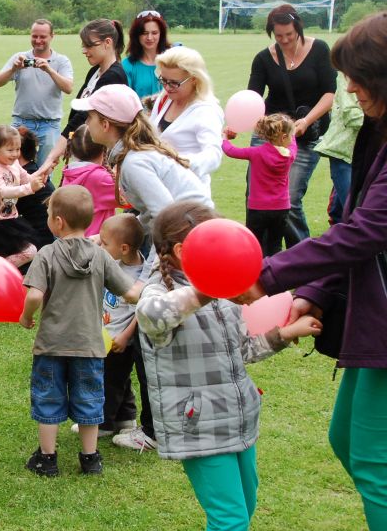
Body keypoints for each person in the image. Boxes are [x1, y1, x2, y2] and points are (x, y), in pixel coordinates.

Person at [234, 12, 387, 529]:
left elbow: (367, 231)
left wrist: (267, 275)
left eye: (357, 77)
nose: (350, 89)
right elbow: (352, 222)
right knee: (346, 439)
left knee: (374, 462)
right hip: (374, 318)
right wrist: (317, 289)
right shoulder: (378, 128)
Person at [137, 201, 323, 531]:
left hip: (238, 416)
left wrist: (285, 333)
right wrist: (209, 288)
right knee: (230, 520)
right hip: (198, 424)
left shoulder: (223, 292)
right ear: (181, 251)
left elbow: (243, 350)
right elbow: (152, 316)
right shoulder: (159, 290)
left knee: (245, 507)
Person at [71, 83, 212, 453]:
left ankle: (153, 429)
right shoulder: (131, 155)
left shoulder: (134, 162)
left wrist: (152, 276)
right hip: (186, 243)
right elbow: (154, 214)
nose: (86, 123)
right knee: (150, 340)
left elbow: (168, 217)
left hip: (186, 247)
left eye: (90, 117)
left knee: (151, 341)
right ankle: (136, 420)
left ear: (105, 123)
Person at [20, 185, 134, 477]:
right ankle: (90, 458)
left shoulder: (47, 254)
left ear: (58, 222)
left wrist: (26, 316)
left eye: (48, 213)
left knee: (48, 399)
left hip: (51, 345)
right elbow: (130, 293)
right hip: (89, 345)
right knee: (89, 400)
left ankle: (47, 459)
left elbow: (34, 295)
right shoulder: (101, 256)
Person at [247, 4, 336, 247]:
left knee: (291, 201)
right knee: (258, 200)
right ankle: (261, 257)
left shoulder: (319, 50)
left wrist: (306, 120)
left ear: (298, 28)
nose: (285, 40)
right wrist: (240, 122)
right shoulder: (264, 58)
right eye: (279, 36)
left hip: (306, 134)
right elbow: (252, 98)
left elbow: (330, 93)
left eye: (290, 34)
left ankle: (302, 258)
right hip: (268, 135)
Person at [43, 19, 129, 172]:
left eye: (89, 45)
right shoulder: (95, 71)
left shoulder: (114, 76)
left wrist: (52, 155)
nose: (84, 50)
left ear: (107, 42)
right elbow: (77, 109)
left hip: (98, 156)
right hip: (84, 151)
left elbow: (83, 116)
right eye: (83, 45)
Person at [0, 19, 75, 165]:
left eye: (43, 37)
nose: (38, 40)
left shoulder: (61, 61)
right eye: (34, 36)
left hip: (49, 125)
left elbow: (68, 88)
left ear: (52, 36)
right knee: (14, 168)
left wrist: (49, 70)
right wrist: (14, 69)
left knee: (45, 170)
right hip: (21, 122)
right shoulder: (20, 58)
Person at [0, 125, 49, 269]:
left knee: (30, 250)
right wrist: (30, 188)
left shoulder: (15, 164)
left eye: (18, 149)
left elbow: (27, 178)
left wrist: (42, 175)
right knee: (29, 251)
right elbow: (4, 191)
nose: (15, 154)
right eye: (10, 150)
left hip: (11, 220)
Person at [97, 213, 147, 438]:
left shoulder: (139, 279)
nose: (100, 247)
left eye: (104, 243)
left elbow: (140, 312)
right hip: (107, 334)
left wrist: (126, 336)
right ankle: (126, 418)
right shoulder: (115, 264)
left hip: (121, 339)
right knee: (120, 378)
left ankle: (104, 424)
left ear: (124, 248)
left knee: (109, 381)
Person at [148, 46, 224, 195]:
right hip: (159, 191)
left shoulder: (206, 111)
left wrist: (177, 162)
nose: (167, 87)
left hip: (188, 194)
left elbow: (213, 155)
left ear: (194, 79)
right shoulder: (165, 99)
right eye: (163, 80)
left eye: (174, 83)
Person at [222, 114, 297, 256]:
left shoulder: (256, 152)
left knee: (253, 243)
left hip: (257, 208)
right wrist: (293, 132)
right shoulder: (289, 155)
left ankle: (254, 267)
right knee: (275, 244)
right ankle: (273, 267)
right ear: (284, 137)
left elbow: (230, 151)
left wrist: (225, 137)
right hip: (281, 208)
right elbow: (293, 142)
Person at [314, 80, 363, 224]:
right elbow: (351, 115)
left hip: (368, 152)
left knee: (342, 212)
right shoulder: (347, 76)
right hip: (344, 152)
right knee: (355, 213)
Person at [60, 124, 117, 237]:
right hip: (94, 242)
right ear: (103, 150)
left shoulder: (70, 171)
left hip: (71, 240)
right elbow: (128, 199)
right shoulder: (100, 178)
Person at [15, 126, 54, 248]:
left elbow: (0, 210)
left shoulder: (24, 178)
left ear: (17, 152)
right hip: (44, 238)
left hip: (38, 243)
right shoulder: (33, 170)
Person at [122, 10, 172, 99]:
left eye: (154, 33)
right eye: (145, 33)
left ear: (161, 34)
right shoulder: (127, 66)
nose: (149, 37)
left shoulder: (173, 61)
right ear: (136, 35)